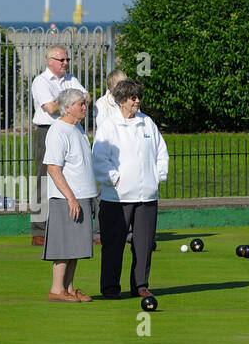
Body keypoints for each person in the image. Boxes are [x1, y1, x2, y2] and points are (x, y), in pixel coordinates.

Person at [91, 78, 169, 300]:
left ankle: (140, 285)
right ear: (121, 100)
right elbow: (99, 159)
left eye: (139, 97)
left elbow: (161, 153)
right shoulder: (108, 126)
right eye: (133, 97)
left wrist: (157, 176)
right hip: (117, 198)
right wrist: (115, 180)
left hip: (147, 196)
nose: (137, 101)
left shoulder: (147, 123)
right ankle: (110, 287)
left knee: (143, 245)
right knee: (113, 245)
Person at [28, 44, 87, 245]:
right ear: (50, 61)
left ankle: (71, 223)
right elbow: (51, 108)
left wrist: (70, 102)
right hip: (47, 131)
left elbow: (86, 97)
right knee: (43, 178)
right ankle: (39, 230)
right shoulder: (40, 81)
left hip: (71, 129)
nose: (65, 63)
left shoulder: (71, 79)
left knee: (75, 175)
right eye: (61, 60)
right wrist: (70, 99)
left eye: (67, 59)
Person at [43, 88, 97, 302]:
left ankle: (69, 288)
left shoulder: (79, 128)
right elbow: (53, 168)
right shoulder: (58, 131)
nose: (85, 107)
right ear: (67, 108)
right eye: (80, 104)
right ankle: (56, 289)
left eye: (84, 103)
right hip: (66, 198)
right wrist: (71, 198)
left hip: (83, 196)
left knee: (76, 245)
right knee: (64, 245)